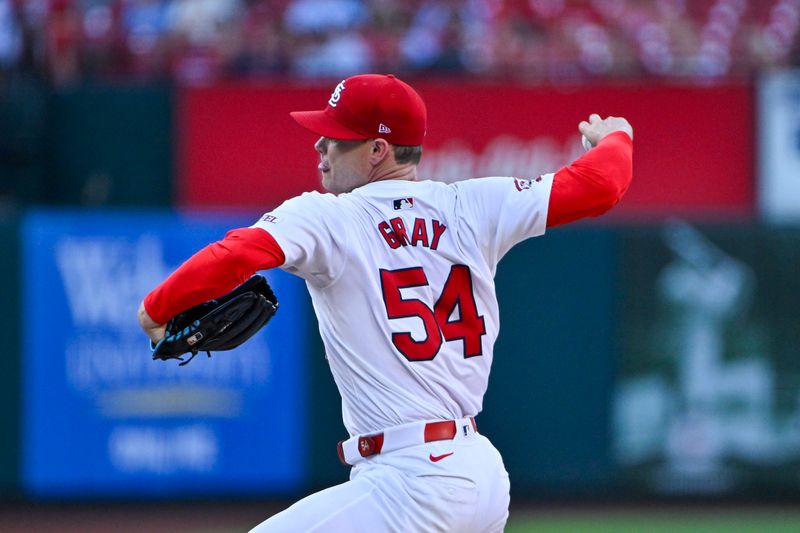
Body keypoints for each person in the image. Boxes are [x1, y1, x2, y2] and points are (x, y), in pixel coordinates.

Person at [137, 73, 633, 532]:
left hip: (410, 482)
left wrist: (156, 308)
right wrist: (617, 137)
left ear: (378, 149)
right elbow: (602, 184)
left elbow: (238, 253)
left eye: (335, 136)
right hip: (477, 472)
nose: (320, 145)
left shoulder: (328, 217)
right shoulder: (476, 204)